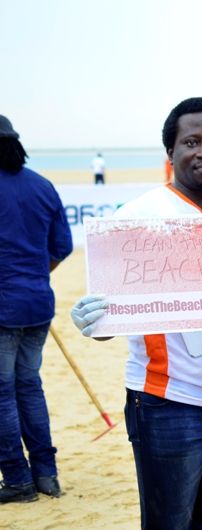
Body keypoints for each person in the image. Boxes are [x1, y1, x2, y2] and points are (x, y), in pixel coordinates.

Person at [69, 97, 202, 529]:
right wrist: (91, 320)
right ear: (170, 153)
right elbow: (109, 322)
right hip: (167, 403)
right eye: (192, 142)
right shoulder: (139, 218)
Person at [0, 115, 73, 503]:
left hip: (6, 309)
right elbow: (62, 247)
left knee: (4, 394)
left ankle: (17, 479)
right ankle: (46, 474)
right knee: (28, 386)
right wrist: (33, 276)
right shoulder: (42, 185)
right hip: (37, 304)